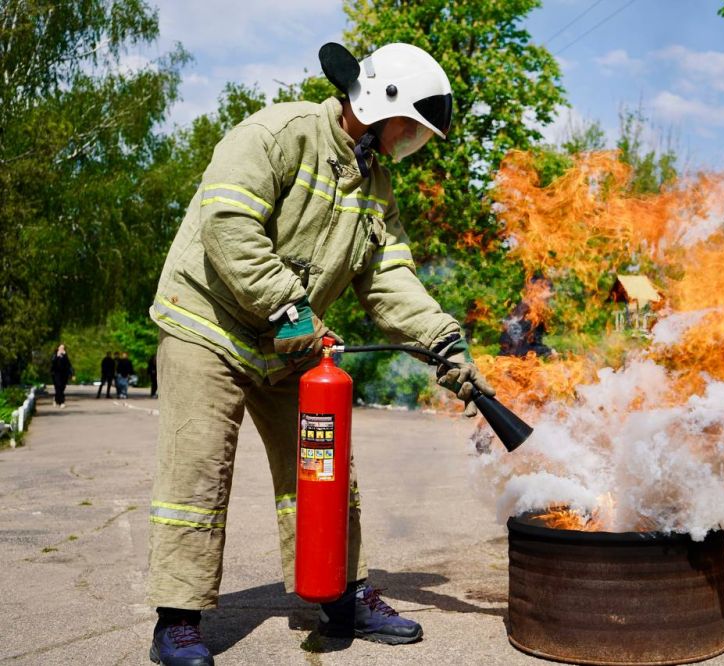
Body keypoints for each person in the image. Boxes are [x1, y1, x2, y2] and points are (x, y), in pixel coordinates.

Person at [146, 42, 494, 665]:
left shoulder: (375, 181)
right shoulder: (277, 134)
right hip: (208, 326)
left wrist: (441, 339)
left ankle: (343, 594)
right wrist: (289, 306)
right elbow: (229, 224)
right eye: (411, 126)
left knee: (326, 469)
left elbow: (389, 277)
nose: (411, 140)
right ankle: (178, 619)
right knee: (197, 472)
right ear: (378, 102)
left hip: (290, 343)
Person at [50, 344, 74, 408]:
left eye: (63, 348)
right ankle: (62, 402)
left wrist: (72, 374)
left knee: (62, 388)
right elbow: (53, 363)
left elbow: (69, 365)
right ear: (58, 348)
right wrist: (57, 356)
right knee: (58, 387)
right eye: (60, 348)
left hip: (64, 374)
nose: (62, 349)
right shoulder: (54, 355)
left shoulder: (65, 356)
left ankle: (56, 398)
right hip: (56, 374)